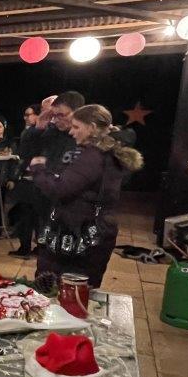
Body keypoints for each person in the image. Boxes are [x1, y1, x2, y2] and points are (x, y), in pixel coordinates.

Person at [29, 104, 143, 287]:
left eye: (76, 127)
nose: (71, 132)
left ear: (91, 127)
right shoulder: (110, 153)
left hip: (77, 232)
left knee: (57, 287)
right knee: (83, 290)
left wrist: (38, 169)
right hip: (96, 229)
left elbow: (60, 189)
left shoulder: (93, 157)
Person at [12, 91, 85, 258]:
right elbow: (26, 153)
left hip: (74, 205)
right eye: (54, 115)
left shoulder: (88, 137)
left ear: (77, 112)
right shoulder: (51, 132)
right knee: (47, 251)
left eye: (61, 115)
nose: (56, 119)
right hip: (47, 198)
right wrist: (38, 128)